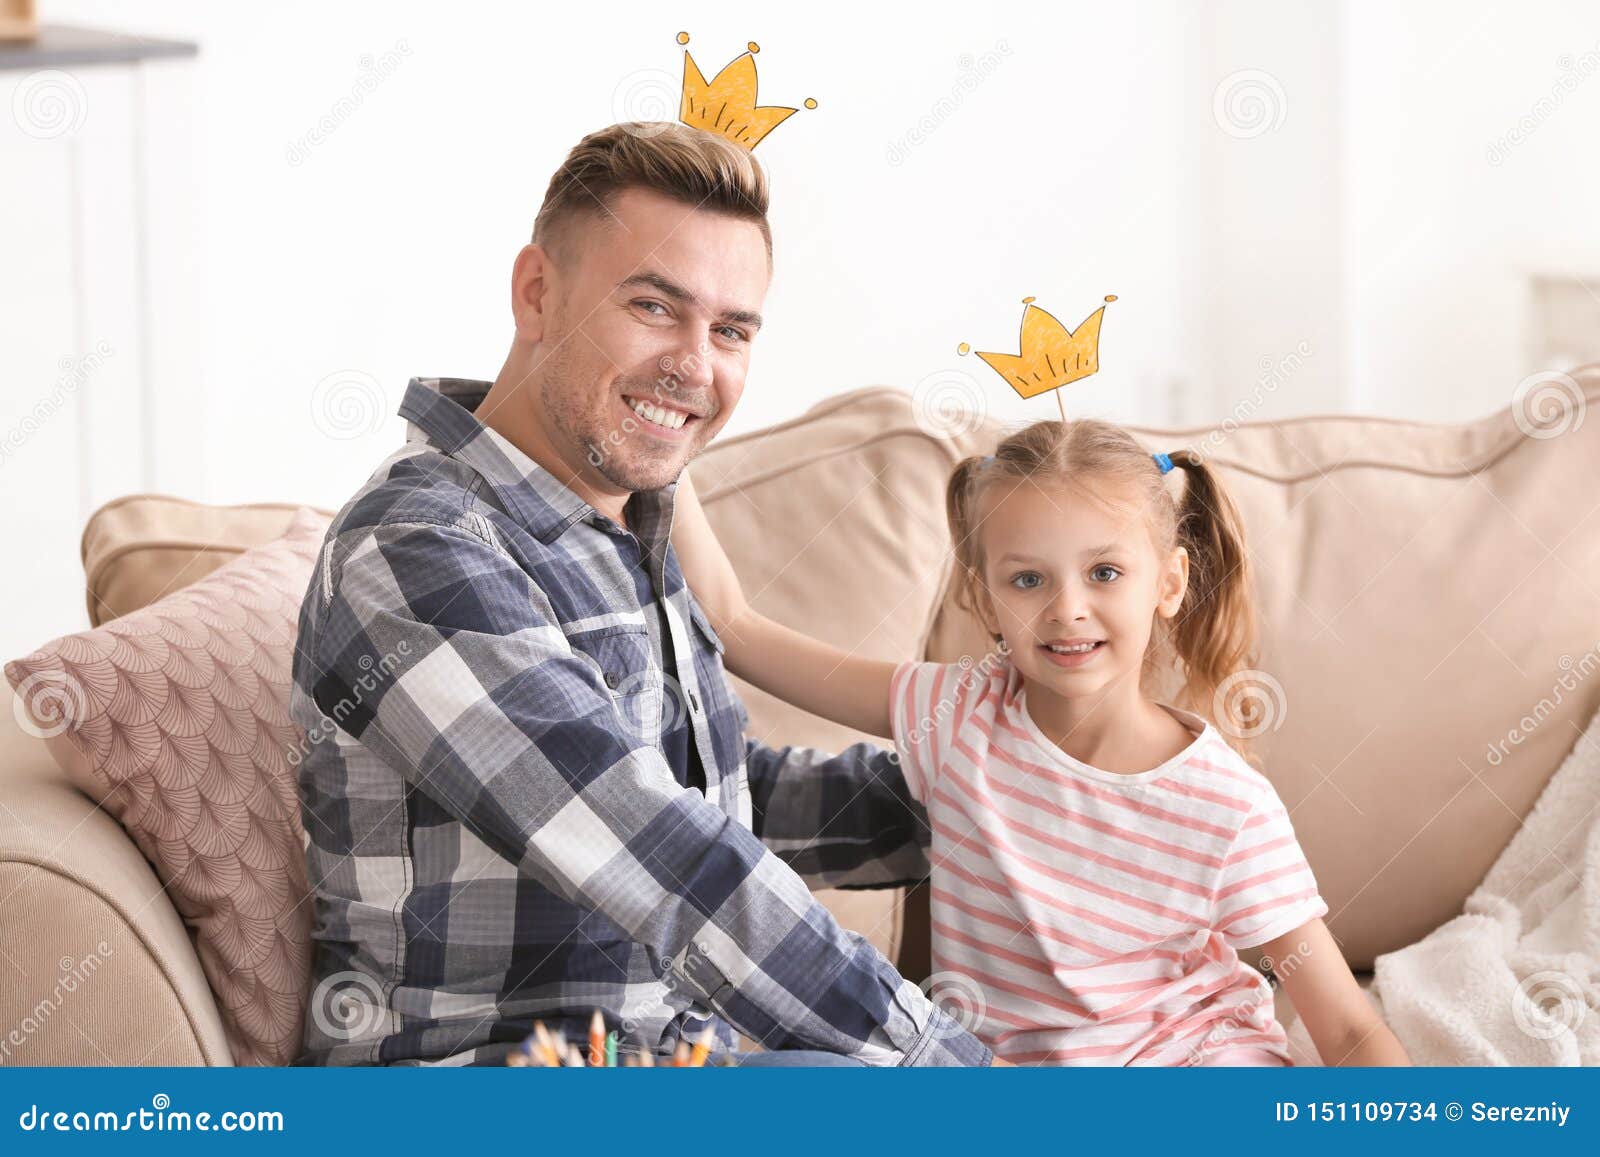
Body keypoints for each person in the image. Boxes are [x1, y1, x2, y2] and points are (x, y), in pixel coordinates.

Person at [288, 122, 996, 1067]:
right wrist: (953, 1067)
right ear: (538, 293)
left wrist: (992, 795)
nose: (697, 366)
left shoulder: (622, 523)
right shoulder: (421, 550)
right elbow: (662, 854)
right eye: (656, 307)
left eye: (732, 330)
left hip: (671, 1063)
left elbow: (712, 797)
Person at [671, 417, 1411, 1066]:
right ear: (983, 596)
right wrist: (666, 454)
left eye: (1105, 572)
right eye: (1027, 579)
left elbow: (1345, 1027)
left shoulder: (1229, 804)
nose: (1067, 609)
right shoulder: (956, 715)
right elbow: (736, 628)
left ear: (1170, 583)